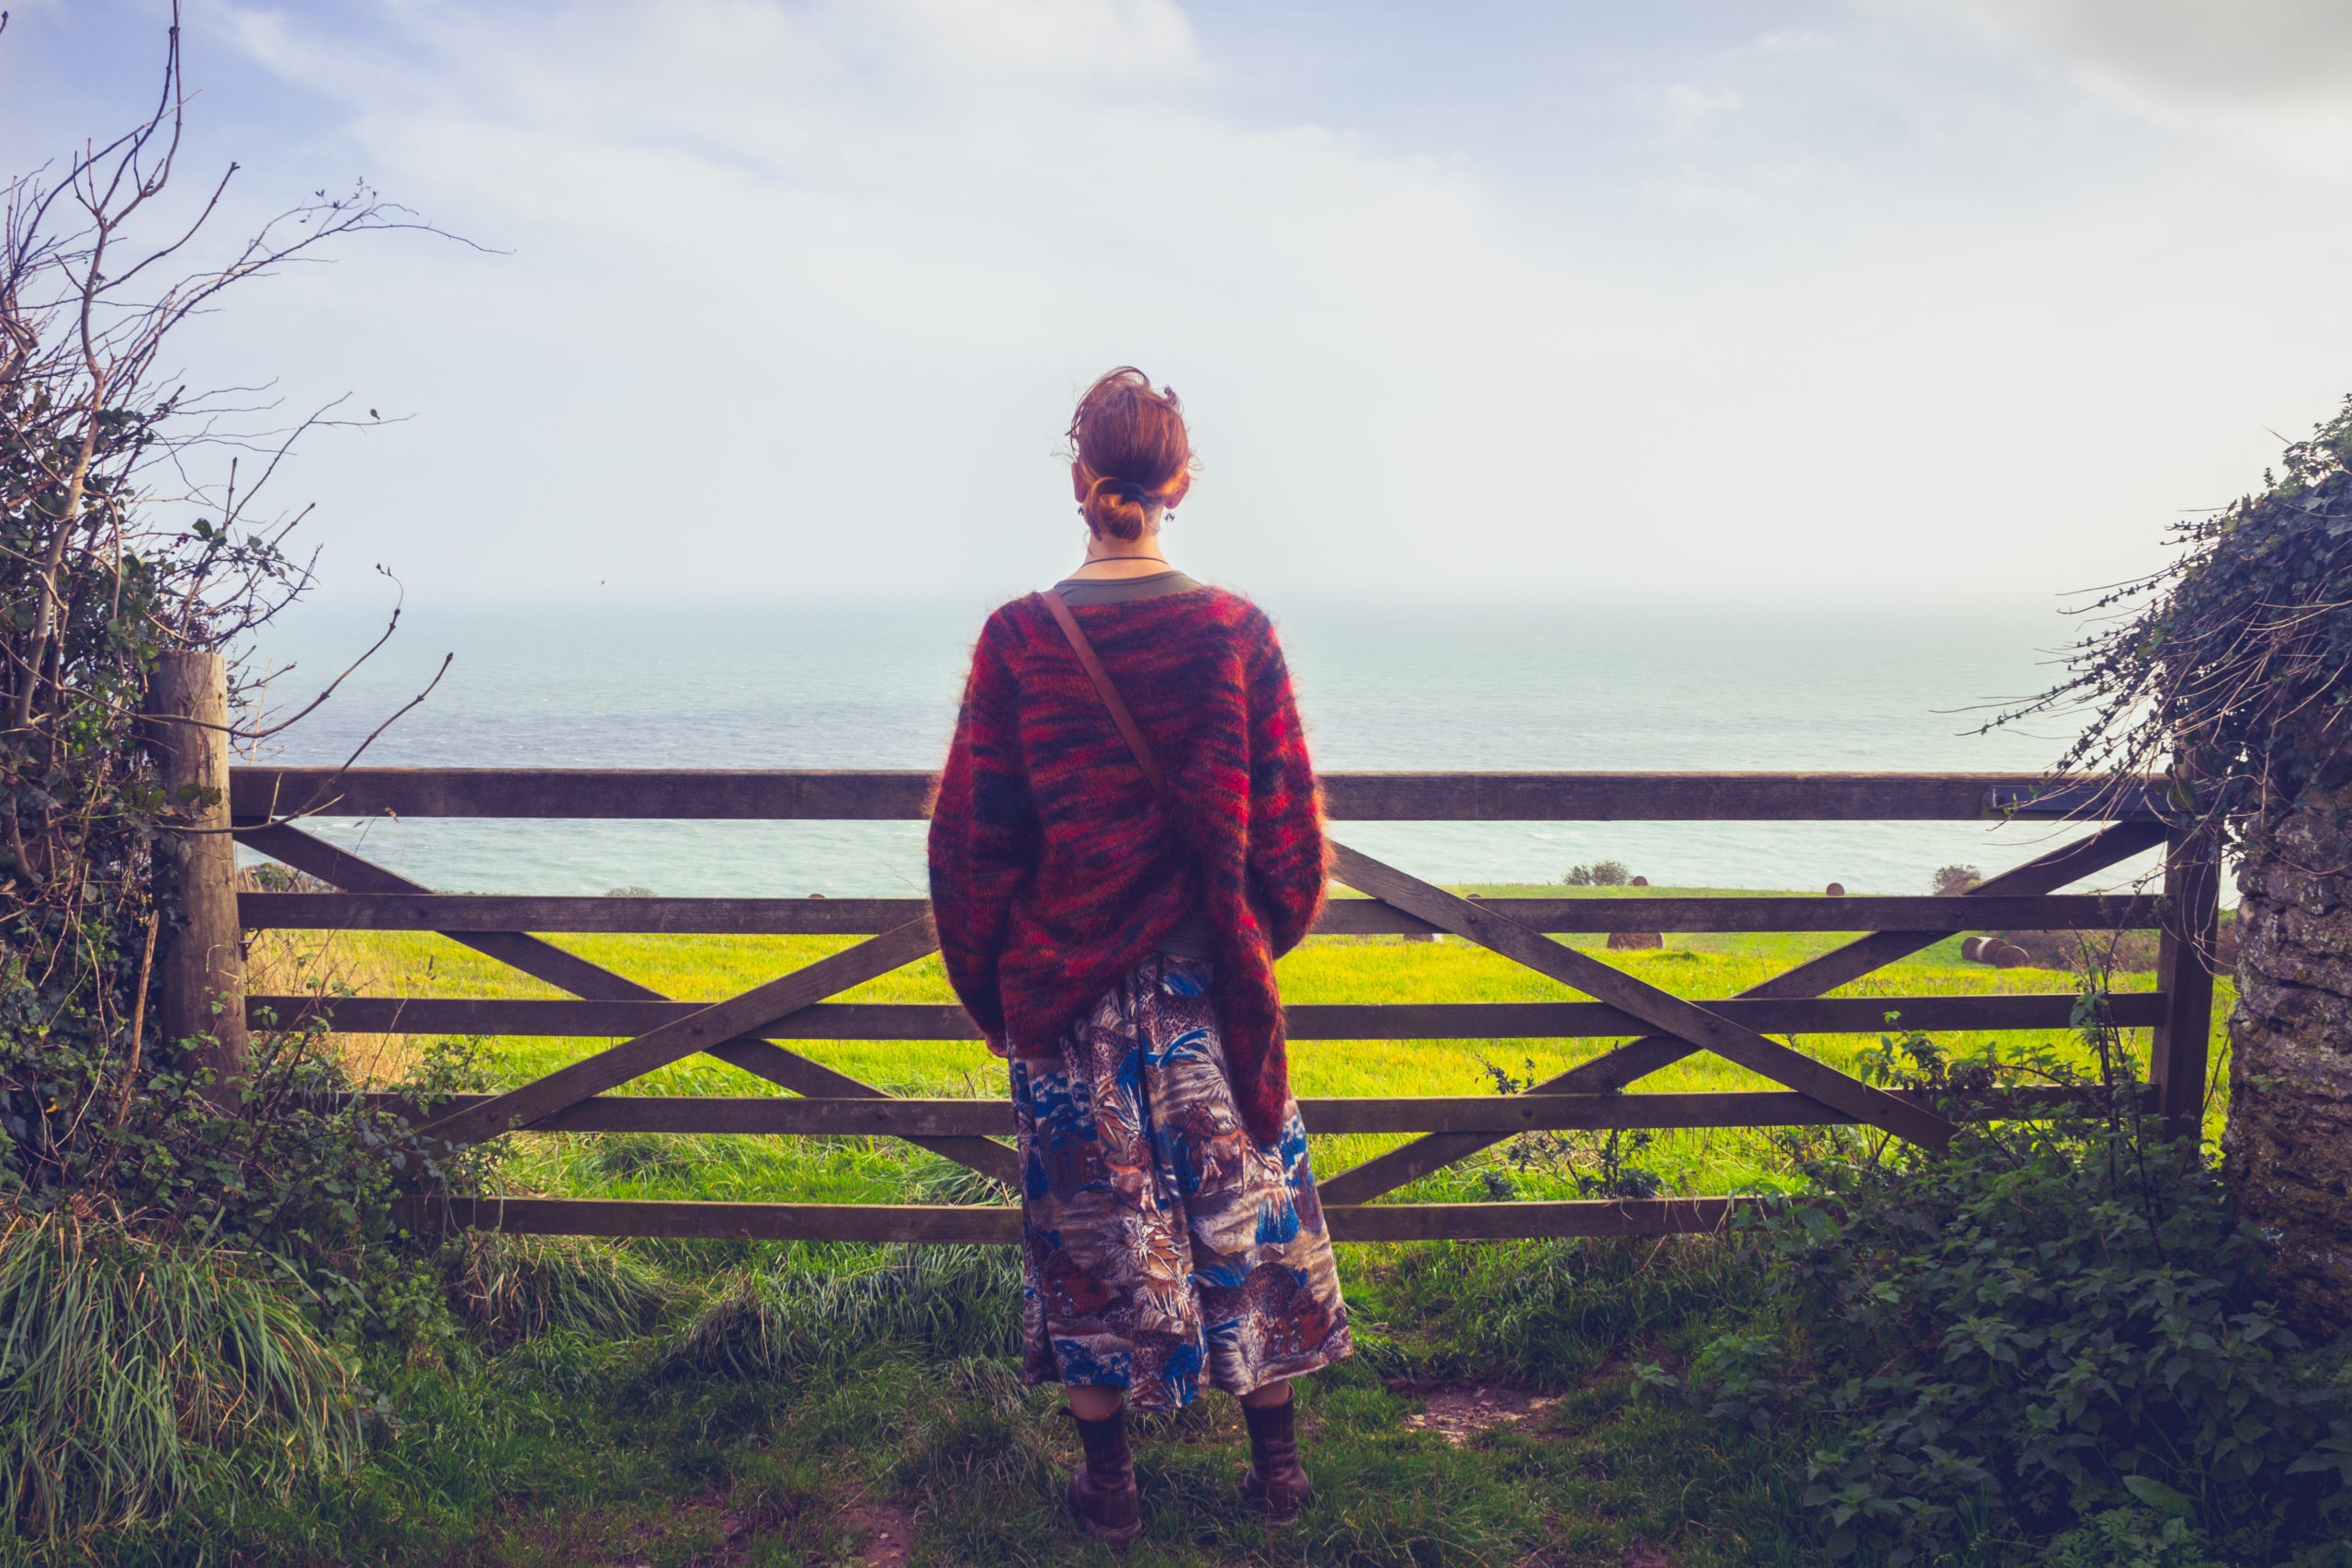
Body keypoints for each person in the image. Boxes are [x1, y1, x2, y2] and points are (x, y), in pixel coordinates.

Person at [927, 367, 1352, 1542]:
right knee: (1247, 1224)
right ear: (1179, 483)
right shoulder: (1235, 635)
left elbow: (973, 851)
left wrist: (1007, 994)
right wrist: (1243, 949)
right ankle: (1277, 1474)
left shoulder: (1020, 641)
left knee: (1086, 1244)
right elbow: (1291, 850)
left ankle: (1108, 1487)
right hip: (1204, 992)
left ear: (1080, 482)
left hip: (1069, 1005)